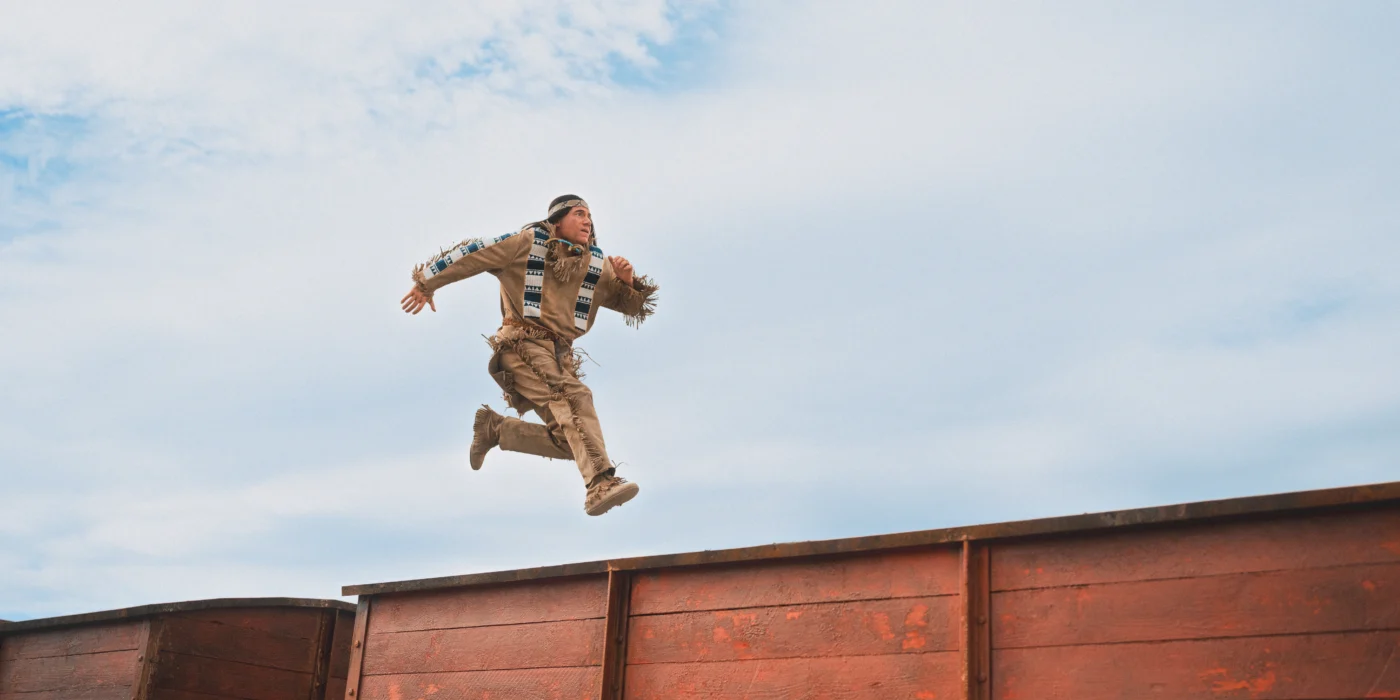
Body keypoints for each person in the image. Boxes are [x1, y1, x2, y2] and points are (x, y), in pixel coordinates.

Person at [400, 195, 658, 516]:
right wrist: (426, 282)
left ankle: (497, 428)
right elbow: (474, 252)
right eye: (579, 214)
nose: (588, 221)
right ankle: (600, 485)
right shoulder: (526, 243)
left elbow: (633, 306)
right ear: (557, 221)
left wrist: (627, 282)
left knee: (571, 437)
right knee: (575, 398)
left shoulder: (595, 264)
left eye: (590, 215)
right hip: (522, 344)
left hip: (559, 356)